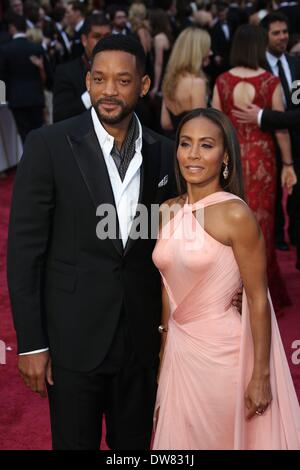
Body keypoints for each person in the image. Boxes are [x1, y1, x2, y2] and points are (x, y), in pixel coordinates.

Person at [7, 33, 242, 451]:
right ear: (88, 81)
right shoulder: (48, 145)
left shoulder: (165, 152)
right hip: (72, 341)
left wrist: (230, 287)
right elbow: (25, 254)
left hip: (141, 341)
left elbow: (193, 229)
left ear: (145, 85)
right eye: (98, 80)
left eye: (122, 80)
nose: (108, 91)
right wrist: (32, 343)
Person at [152, 108, 300, 450]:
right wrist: (162, 358)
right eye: (185, 144)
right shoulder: (166, 210)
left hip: (224, 356)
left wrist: (261, 375)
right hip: (179, 353)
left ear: (225, 156)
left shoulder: (235, 214)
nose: (193, 154)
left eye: (206, 145)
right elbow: (166, 291)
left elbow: (258, 297)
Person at [212, 24, 297, 311]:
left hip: (231, 161)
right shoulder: (269, 82)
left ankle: (232, 291)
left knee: (230, 222)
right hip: (262, 162)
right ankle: (263, 291)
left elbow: (215, 128)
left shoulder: (222, 81)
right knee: (261, 223)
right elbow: (281, 130)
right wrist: (288, 164)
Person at [262, 12, 300, 252]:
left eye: (285, 32)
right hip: (266, 140)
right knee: (272, 191)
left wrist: (265, 116)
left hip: (296, 137)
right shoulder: (257, 66)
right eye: (276, 33)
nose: (282, 37)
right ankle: (276, 236)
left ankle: (296, 234)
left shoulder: (296, 63)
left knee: (297, 191)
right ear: (265, 35)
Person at [53, 13, 111, 122]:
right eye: (97, 37)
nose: (103, 42)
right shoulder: (65, 72)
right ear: (84, 40)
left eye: (107, 36)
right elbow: (60, 116)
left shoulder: (123, 70)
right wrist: (92, 94)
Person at [160, 26, 210, 136]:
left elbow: (165, 123)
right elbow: (200, 125)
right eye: (207, 48)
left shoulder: (170, 80)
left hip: (173, 143)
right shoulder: (197, 83)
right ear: (198, 51)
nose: (210, 52)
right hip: (192, 146)